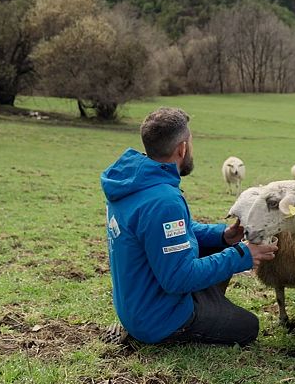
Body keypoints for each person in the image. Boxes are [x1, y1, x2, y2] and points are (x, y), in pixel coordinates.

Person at [100, 107, 277, 346]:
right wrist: (242, 254)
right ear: (182, 149)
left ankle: (211, 306)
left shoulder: (132, 183)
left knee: (218, 248)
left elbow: (166, 233)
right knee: (248, 327)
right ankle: (196, 318)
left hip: (137, 302)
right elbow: (178, 278)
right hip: (157, 320)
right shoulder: (163, 200)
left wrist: (223, 236)